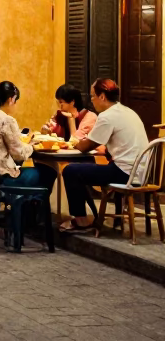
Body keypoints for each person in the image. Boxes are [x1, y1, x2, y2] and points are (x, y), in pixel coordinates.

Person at [61, 78, 149, 235]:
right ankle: (88, 216)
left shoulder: (107, 116)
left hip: (125, 173)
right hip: (142, 172)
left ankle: (81, 221)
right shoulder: (128, 111)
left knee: (70, 171)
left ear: (102, 96)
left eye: (93, 96)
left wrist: (73, 143)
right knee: (83, 169)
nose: (92, 100)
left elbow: (86, 146)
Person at [0, 80, 57, 230]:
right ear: (11, 99)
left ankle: (23, 213)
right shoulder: (7, 120)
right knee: (48, 172)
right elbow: (19, 155)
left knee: (35, 172)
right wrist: (31, 146)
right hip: (2, 178)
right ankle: (30, 218)